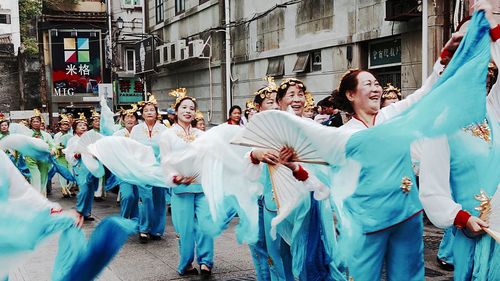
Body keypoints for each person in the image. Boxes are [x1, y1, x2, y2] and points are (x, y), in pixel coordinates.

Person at [418, 2, 500, 279]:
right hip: (475, 231)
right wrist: (461, 218)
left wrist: (493, 28)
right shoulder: (440, 126)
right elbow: (432, 189)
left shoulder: (493, 111)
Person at [160, 93, 216, 277]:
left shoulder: (201, 134)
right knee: (184, 230)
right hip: (181, 188)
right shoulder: (167, 135)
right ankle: (186, 263)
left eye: (192, 108)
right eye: (184, 107)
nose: (188, 111)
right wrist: (175, 178)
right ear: (176, 111)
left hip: (202, 187)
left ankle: (206, 262)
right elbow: (165, 162)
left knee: (206, 225)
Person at [130, 94, 167, 243]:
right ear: (142, 114)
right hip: (143, 169)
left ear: (156, 113)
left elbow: (168, 149)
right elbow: (131, 149)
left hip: (159, 169)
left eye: (152, 110)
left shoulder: (164, 129)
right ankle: (143, 229)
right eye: (146, 110)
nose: (149, 112)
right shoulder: (136, 129)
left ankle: (157, 230)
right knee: (145, 199)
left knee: (159, 199)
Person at [64, 113, 99, 221]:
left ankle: (87, 212)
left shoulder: (91, 138)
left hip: (91, 166)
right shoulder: (72, 140)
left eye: (84, 125)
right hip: (80, 166)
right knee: (83, 189)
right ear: (75, 129)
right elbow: (68, 154)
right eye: (80, 125)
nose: (83, 127)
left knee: (90, 190)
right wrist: (75, 155)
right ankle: (79, 210)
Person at [113, 106, 140, 220]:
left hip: (139, 170)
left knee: (136, 197)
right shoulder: (117, 135)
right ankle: (123, 219)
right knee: (128, 195)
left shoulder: (141, 133)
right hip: (124, 170)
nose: (129, 119)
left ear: (136, 119)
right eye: (127, 117)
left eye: (132, 117)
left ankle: (135, 220)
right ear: (123, 120)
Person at [25, 109, 54, 196]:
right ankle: (35, 197)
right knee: (36, 176)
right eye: (34, 122)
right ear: (31, 123)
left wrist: (52, 149)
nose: (36, 123)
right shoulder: (27, 133)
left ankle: (42, 197)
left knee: (43, 177)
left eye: (38, 121)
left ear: (41, 123)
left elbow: (52, 145)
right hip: (31, 158)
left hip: (43, 158)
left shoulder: (46, 135)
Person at [53, 114, 73, 198]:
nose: (65, 126)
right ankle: (64, 189)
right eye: (63, 124)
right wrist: (59, 147)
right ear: (60, 126)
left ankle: (68, 187)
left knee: (72, 173)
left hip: (70, 156)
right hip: (60, 156)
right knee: (62, 173)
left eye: (67, 124)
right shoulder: (57, 135)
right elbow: (55, 145)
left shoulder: (71, 135)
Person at [90, 110, 106, 201]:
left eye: (99, 120)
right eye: (95, 121)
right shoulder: (89, 133)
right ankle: (94, 192)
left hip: (102, 157)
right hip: (92, 156)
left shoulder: (104, 132)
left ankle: (98, 193)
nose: (98, 122)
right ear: (92, 123)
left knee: (101, 175)